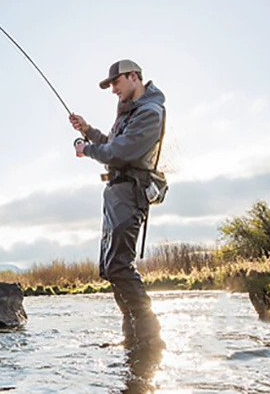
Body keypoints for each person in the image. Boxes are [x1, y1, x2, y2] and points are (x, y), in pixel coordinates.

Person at [69, 59, 166, 352]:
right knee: (112, 267)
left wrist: (87, 150)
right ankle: (133, 338)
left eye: (116, 83)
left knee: (120, 266)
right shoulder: (130, 113)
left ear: (134, 77)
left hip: (129, 193)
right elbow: (111, 143)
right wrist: (87, 131)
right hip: (116, 195)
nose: (113, 89)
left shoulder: (150, 112)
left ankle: (150, 339)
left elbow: (120, 152)